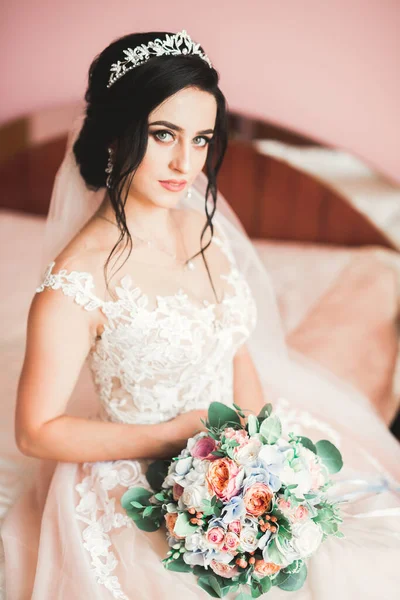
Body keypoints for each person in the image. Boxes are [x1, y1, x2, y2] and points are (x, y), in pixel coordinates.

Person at [1, 29, 400, 600]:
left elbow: (233, 344)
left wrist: (265, 453)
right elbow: (35, 431)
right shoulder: (78, 280)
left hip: (243, 451)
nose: (185, 163)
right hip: (139, 475)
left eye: (201, 139)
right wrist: (169, 436)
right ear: (118, 132)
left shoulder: (203, 230)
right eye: (163, 134)